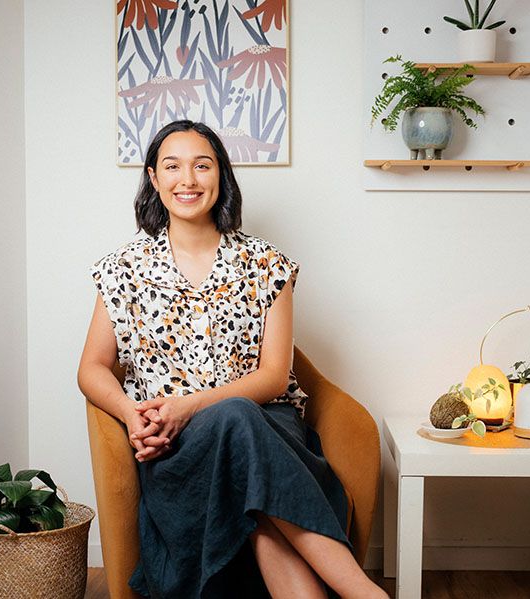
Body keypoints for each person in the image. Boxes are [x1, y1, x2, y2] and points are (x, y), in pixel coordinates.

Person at [77, 120, 388, 599]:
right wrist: (130, 415)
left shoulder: (267, 264)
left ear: (221, 174)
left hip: (269, 427)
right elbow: (92, 368)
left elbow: (272, 377)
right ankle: (363, 593)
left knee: (241, 426)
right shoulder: (123, 268)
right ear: (153, 178)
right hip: (178, 447)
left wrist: (191, 404)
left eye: (203, 165)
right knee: (251, 477)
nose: (188, 179)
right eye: (173, 166)